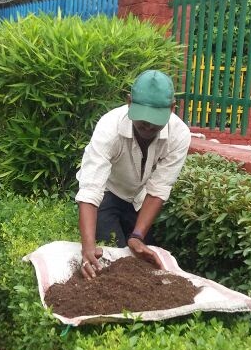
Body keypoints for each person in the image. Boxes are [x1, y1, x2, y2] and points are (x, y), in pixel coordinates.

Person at [75, 70, 191, 279]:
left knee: (142, 260)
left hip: (140, 198)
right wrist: (88, 248)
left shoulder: (179, 135)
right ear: (129, 102)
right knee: (109, 256)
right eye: (142, 118)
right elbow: (91, 189)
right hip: (108, 194)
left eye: (155, 119)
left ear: (172, 108)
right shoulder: (109, 128)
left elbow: (158, 189)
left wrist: (137, 236)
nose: (148, 125)